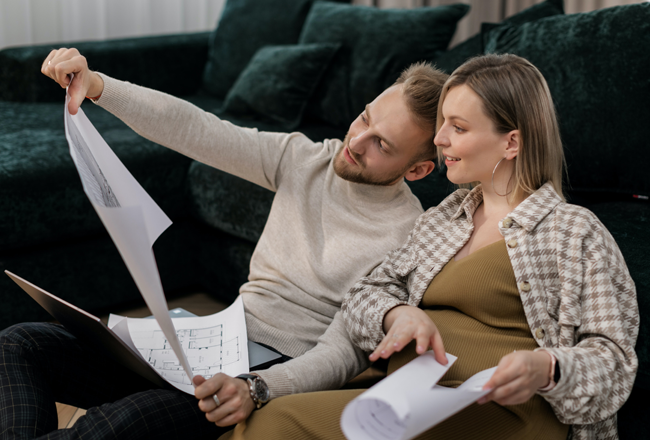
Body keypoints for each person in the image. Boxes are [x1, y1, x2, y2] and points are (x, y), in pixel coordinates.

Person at [0, 49, 449, 439]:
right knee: (18, 343)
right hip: (207, 340)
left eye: (382, 146)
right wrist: (98, 86)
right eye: (365, 117)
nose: (356, 140)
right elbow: (197, 129)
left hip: (264, 373)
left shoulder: (407, 236)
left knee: (106, 427)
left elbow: (344, 352)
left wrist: (257, 388)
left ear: (417, 170)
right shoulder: (306, 158)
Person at [217, 54, 639, 440]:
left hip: (501, 412)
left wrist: (547, 368)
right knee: (263, 421)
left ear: (511, 143)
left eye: (458, 127)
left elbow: (614, 364)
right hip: (404, 395)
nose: (438, 140)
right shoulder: (442, 218)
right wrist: (397, 313)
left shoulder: (573, 231)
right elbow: (363, 298)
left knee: (275, 428)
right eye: (442, 125)